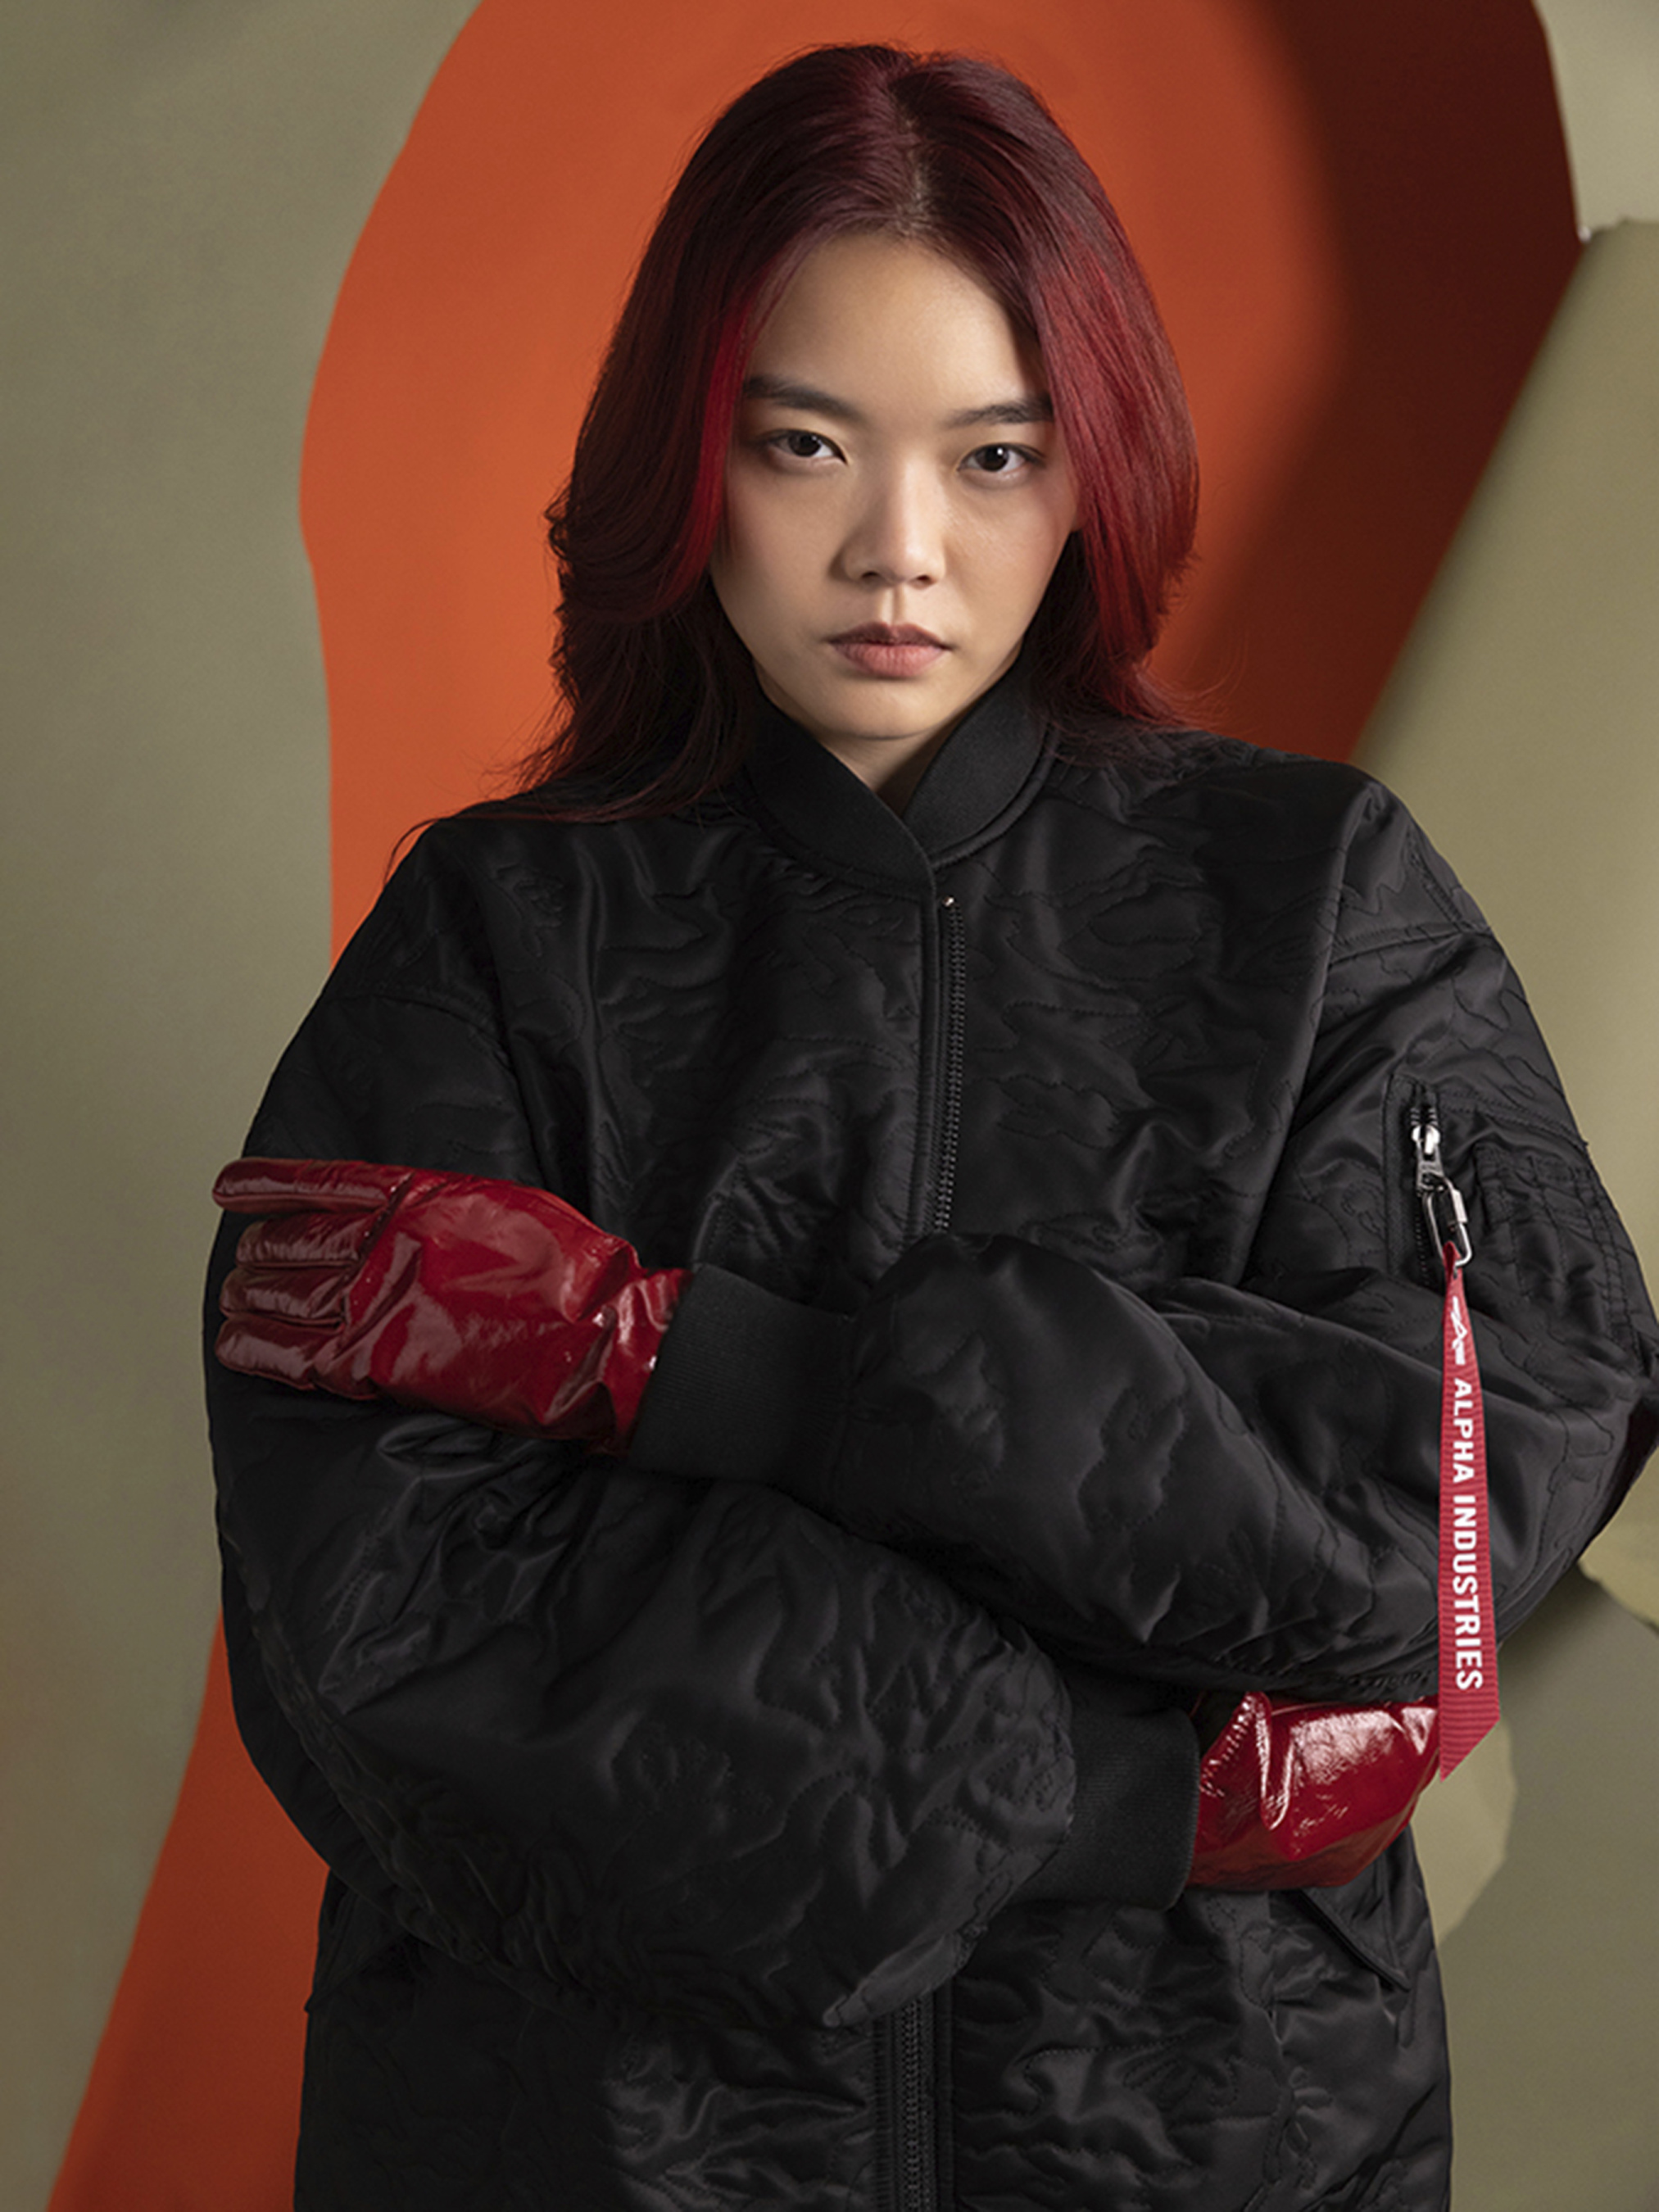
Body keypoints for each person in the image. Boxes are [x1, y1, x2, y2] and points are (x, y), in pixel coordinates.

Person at [203, 43, 1657, 2212]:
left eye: (993, 456)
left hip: (1218, 2130)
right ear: (687, 458)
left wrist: (718, 1375)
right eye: (806, 446)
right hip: (589, 2143)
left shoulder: (1322, 901)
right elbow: (389, 1635)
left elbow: (1451, 1491)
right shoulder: (491, 937)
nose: (900, 550)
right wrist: (1137, 1785)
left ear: (1090, 471)